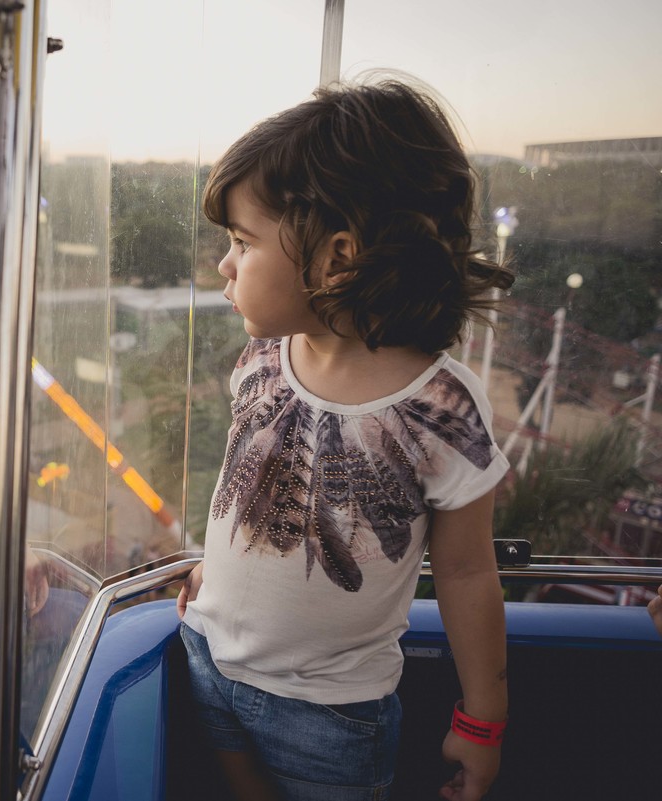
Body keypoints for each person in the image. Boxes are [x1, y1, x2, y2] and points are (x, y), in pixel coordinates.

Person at [177, 76, 514, 801]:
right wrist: (220, 571)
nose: (225, 265)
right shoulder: (265, 357)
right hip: (207, 658)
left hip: (328, 717)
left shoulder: (440, 407)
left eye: (242, 242)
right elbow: (249, 480)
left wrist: (482, 719)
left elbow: (465, 574)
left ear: (338, 259)